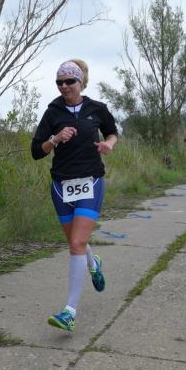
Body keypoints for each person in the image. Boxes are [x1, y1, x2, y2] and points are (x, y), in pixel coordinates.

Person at [31, 59, 119, 333]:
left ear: (80, 82)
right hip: (61, 185)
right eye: (59, 82)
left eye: (69, 81)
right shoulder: (53, 111)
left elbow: (112, 132)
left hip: (91, 181)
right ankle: (94, 263)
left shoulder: (97, 109)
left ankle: (69, 312)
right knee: (75, 242)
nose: (64, 86)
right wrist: (55, 139)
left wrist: (109, 144)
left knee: (77, 243)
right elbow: (36, 151)